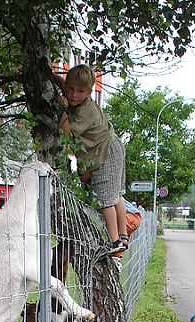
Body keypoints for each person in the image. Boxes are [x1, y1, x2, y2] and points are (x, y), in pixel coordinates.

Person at [56, 64, 128, 256]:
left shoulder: (84, 111)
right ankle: (122, 235)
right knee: (116, 195)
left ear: (89, 92)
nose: (73, 95)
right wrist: (54, 78)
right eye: (70, 89)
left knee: (106, 198)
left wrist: (62, 108)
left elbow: (68, 133)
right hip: (112, 147)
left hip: (105, 152)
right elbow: (62, 83)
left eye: (80, 91)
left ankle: (114, 241)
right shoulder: (80, 102)